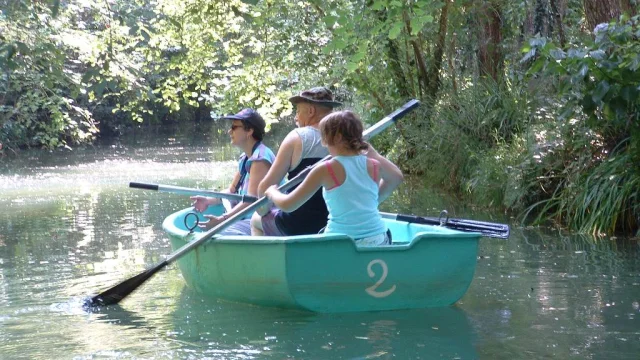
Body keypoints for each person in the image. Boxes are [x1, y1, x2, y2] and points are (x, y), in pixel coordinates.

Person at [264, 110, 403, 245]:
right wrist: (374, 201)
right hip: (378, 238)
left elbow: (289, 205)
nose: (323, 142)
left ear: (336, 138)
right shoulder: (374, 165)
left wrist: (272, 192)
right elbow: (396, 178)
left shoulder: (325, 169)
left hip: (340, 242)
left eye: (323, 136)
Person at [250, 87, 340, 236]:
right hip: (333, 223)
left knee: (256, 219)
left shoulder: (297, 137)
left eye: (298, 111)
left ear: (311, 111)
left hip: (297, 225)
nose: (295, 117)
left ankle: (265, 259)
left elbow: (266, 188)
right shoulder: (347, 140)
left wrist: (264, 209)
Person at [191, 108, 276, 235]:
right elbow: (232, 192)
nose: (229, 131)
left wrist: (223, 220)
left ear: (249, 131)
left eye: (234, 127)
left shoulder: (260, 159)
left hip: (263, 222)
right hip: (247, 219)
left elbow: (251, 201)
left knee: (217, 234)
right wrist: (208, 200)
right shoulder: (246, 157)